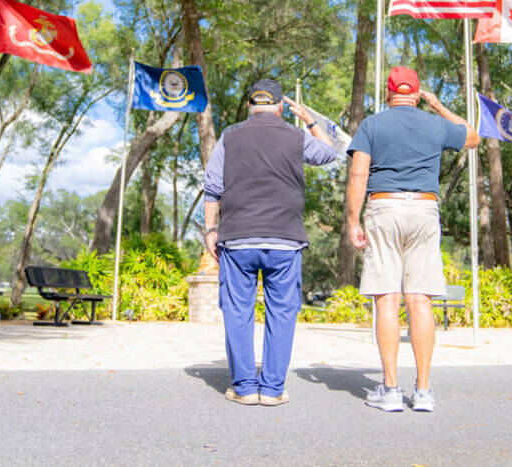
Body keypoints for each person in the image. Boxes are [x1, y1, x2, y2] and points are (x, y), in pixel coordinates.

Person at [345, 66, 480, 412]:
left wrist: (352, 220)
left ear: (388, 94)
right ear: (417, 93)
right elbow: (472, 136)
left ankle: (390, 389)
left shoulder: (373, 125)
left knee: (387, 299)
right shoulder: (435, 124)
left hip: (383, 207)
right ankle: (422, 391)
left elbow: (359, 172)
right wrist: (438, 107)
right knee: (420, 300)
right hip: (423, 210)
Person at [203, 78, 337, 406]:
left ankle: (245, 388)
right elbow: (329, 154)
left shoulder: (230, 136)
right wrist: (309, 120)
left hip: (237, 239)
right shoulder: (296, 136)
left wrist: (210, 230)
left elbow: (212, 186)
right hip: (285, 240)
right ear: (280, 107)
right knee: (282, 312)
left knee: (237, 311)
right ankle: (273, 389)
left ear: (250, 106)